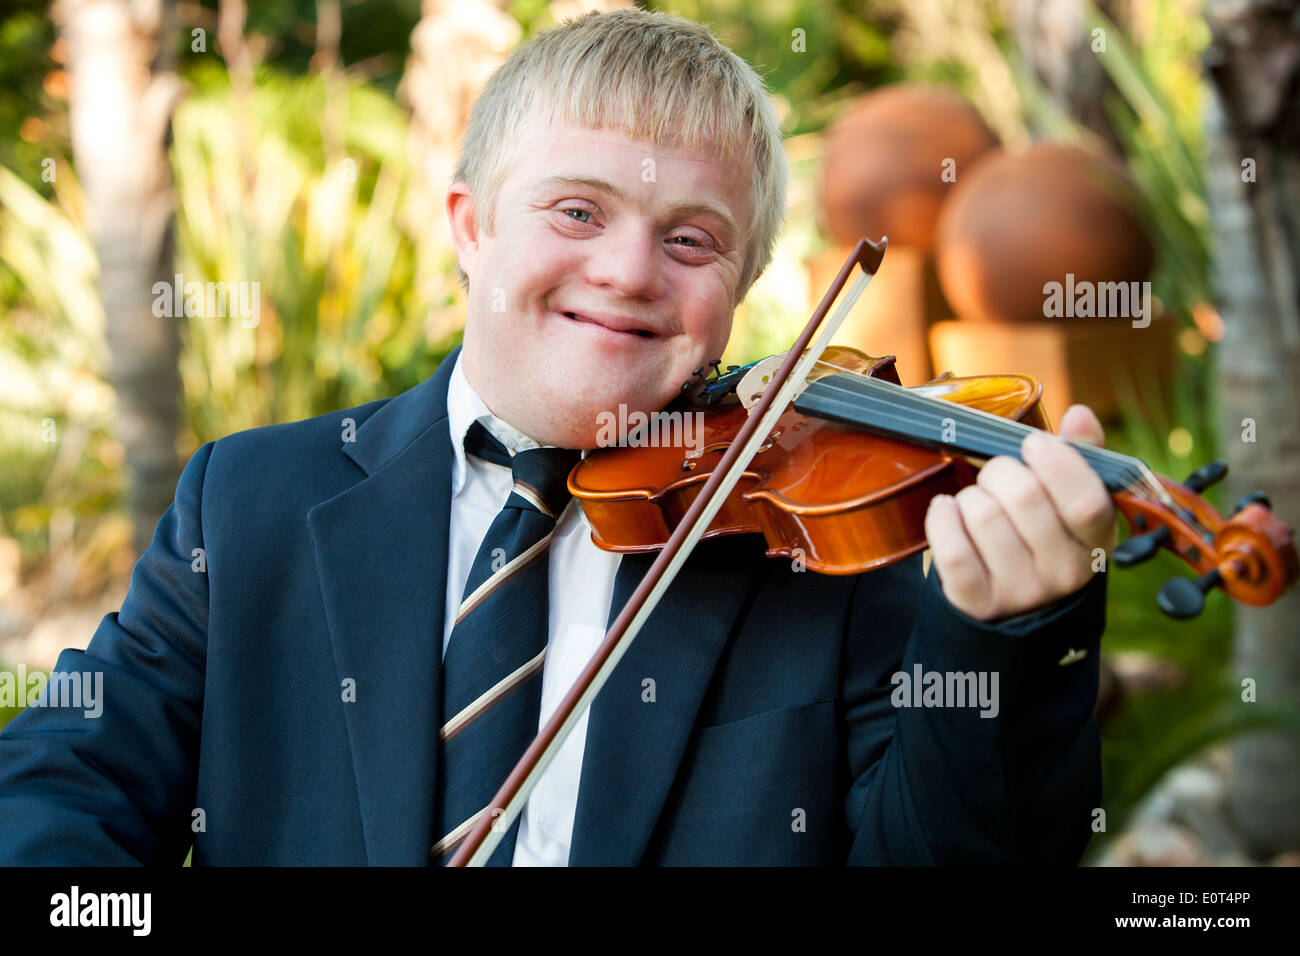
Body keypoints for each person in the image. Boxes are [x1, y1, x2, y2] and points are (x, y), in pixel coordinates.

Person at [0, 7, 1114, 866]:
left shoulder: (826, 560)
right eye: (575, 211)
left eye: (691, 239)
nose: (627, 273)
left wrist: (1008, 634)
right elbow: (62, 788)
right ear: (470, 227)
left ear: (742, 290)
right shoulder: (247, 503)